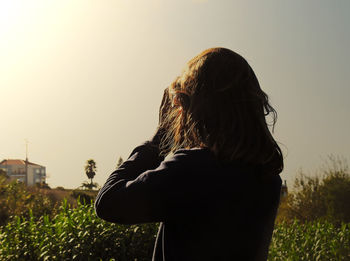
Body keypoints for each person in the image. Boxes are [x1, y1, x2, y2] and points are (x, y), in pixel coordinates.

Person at [94, 47, 284, 261]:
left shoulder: (192, 170)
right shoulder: (268, 180)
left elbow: (108, 203)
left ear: (199, 107)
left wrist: (161, 138)